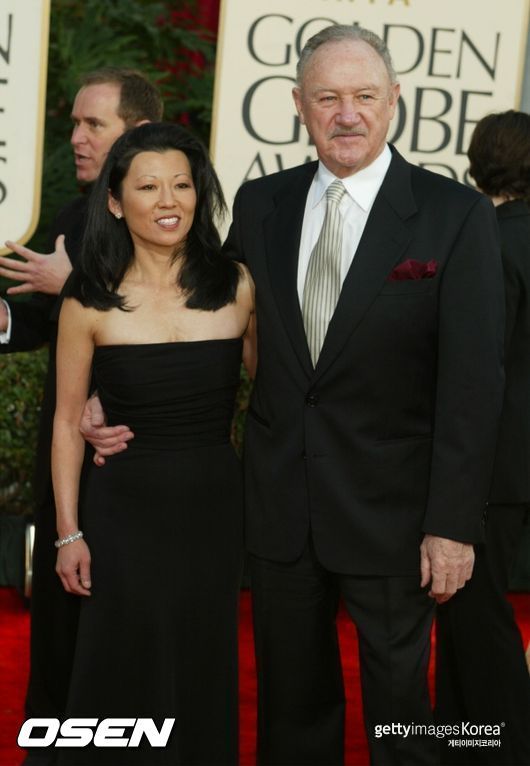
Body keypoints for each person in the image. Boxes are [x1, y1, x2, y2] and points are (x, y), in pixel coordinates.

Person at [82, 26, 504, 765]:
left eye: (364, 96)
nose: (348, 114)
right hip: (280, 509)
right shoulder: (261, 204)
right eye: (328, 98)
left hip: (397, 516)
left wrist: (452, 524)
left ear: (394, 101)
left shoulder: (454, 214)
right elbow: (198, 308)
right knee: (291, 714)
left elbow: (472, 384)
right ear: (299, 106)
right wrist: (105, 388)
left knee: (402, 716)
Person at [53, 121, 255, 766]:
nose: (169, 201)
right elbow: (66, 421)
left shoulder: (237, 286)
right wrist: (67, 533)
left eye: (182, 185)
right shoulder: (89, 300)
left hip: (213, 510)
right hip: (122, 511)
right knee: (121, 660)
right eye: (148, 187)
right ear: (115, 202)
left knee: (202, 659)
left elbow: (284, 395)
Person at [0, 68, 162, 747]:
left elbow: (177, 328)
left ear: (139, 132)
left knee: (120, 638)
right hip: (62, 462)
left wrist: (74, 286)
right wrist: (5, 319)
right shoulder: (72, 216)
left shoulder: (172, 224)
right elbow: (39, 322)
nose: (76, 137)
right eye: (74, 123)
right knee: (58, 636)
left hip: (134, 462)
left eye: (94, 123)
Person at [435, 110, 530, 766]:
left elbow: (478, 365)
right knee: (470, 611)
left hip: (495, 460)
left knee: (474, 610)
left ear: (474, 164)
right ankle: (459, 740)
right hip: (511, 460)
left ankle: (503, 745)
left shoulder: (485, 243)